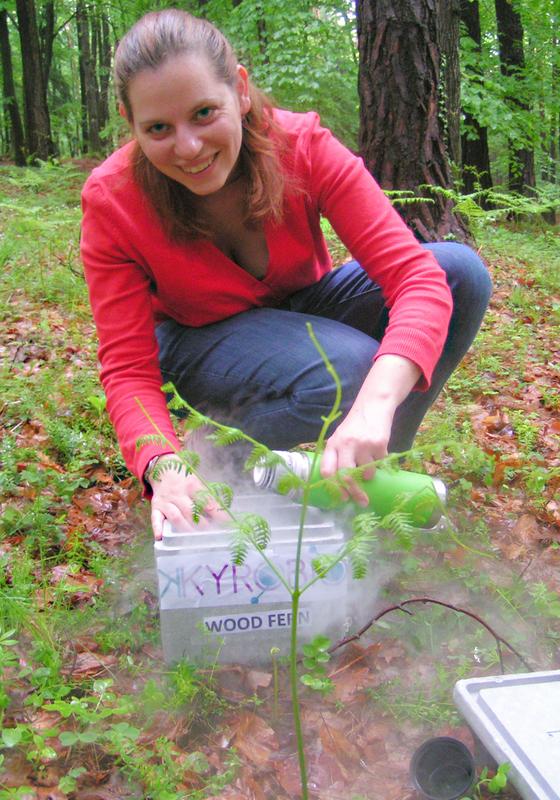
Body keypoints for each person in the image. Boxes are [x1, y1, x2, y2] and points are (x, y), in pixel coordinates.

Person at [81, 9, 492, 541]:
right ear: (130, 122)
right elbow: (128, 370)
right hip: (197, 341)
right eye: (159, 128)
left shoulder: (302, 146)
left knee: (459, 273)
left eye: (205, 113)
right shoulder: (115, 199)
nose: (187, 147)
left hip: (300, 308)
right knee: (347, 366)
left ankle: (373, 470)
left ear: (241, 91)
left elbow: (415, 276)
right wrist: (163, 462)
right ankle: (217, 459)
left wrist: (375, 408)